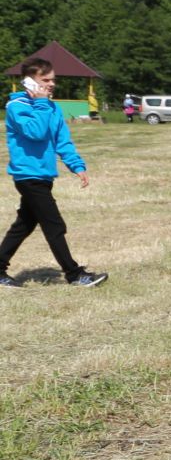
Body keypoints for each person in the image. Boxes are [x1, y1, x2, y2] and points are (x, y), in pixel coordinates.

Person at [2, 59, 105, 289]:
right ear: (29, 81)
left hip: (44, 175)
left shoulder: (52, 107)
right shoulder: (17, 107)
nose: (51, 84)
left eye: (53, 80)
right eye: (45, 80)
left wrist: (76, 165)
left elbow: (62, 140)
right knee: (54, 225)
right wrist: (40, 103)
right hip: (28, 176)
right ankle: (74, 274)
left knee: (24, 224)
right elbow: (36, 132)